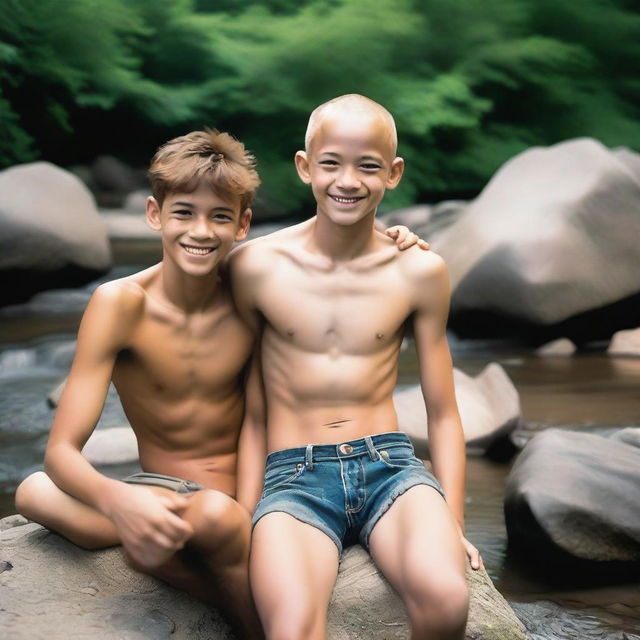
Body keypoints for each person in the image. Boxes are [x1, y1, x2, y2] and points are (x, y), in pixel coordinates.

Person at [14, 128, 424, 638]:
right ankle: (180, 566)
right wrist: (123, 503)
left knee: (213, 514)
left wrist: (391, 238)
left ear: (244, 224)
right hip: (163, 493)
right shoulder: (120, 304)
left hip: (253, 496)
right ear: (154, 214)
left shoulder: (249, 290)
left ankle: (221, 602)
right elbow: (61, 452)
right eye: (183, 213)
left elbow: (327, 251)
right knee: (33, 491)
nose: (201, 232)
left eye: (221, 217)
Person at [230, 94, 482, 640]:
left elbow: (442, 412)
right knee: (293, 630)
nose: (348, 180)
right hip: (293, 479)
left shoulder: (419, 270)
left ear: (393, 174)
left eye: (368, 166)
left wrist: (451, 522)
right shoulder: (254, 266)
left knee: (445, 599)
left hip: (389, 467)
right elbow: (251, 412)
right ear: (304, 167)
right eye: (331, 164)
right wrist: (248, 513)